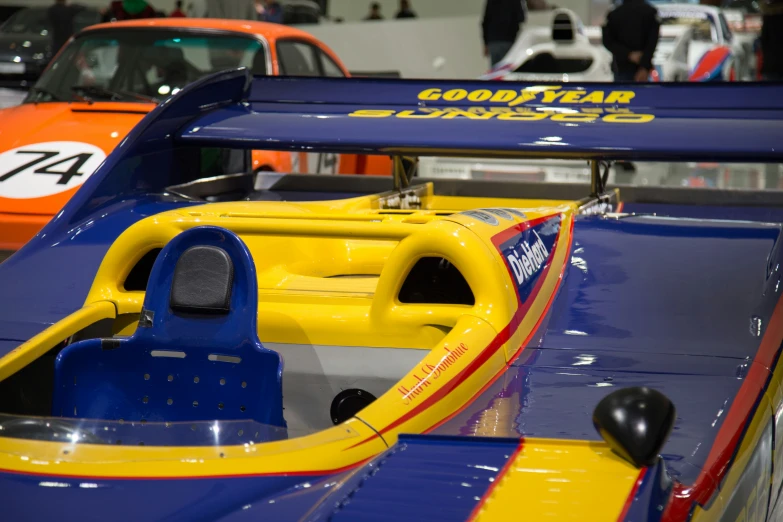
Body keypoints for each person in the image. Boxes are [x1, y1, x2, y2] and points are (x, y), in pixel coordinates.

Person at [602, 0, 660, 82]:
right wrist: (644, 65)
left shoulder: (614, 14)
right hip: (642, 67)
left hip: (621, 66)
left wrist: (628, 54)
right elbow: (652, 42)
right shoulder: (650, 12)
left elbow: (607, 41)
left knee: (622, 93)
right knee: (643, 93)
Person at [482, 0, 526, 67]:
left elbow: (485, 22)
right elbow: (521, 18)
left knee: (495, 71)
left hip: (493, 42)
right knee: (506, 70)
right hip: (508, 40)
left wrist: (485, 43)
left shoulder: (491, 1)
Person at [760, 2, 783, 81]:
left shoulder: (768, 19)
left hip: (771, 66)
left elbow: (764, 42)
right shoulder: (769, 20)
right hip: (772, 67)